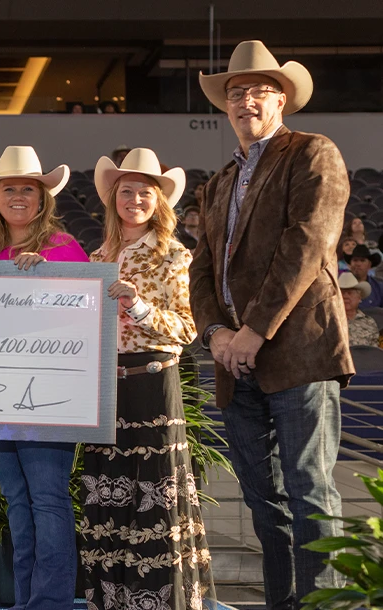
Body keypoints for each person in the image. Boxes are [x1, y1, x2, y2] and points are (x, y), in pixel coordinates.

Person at [190, 40, 353, 605]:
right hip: (235, 360)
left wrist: (252, 333)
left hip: (300, 352)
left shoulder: (313, 152)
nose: (246, 100)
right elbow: (202, 271)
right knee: (265, 502)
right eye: (236, 92)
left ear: (283, 100)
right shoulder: (217, 184)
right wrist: (216, 335)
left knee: (311, 493)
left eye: (260, 89)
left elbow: (306, 246)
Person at [81, 148, 212, 607]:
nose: (134, 198)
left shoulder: (174, 254)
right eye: (126, 191)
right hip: (107, 385)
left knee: (152, 496)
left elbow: (188, 328)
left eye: (144, 192)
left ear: (159, 201)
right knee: (111, 496)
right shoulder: (99, 254)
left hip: (153, 383)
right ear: (113, 198)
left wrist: (136, 306)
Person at [0, 145, 85, 608]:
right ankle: (25, 600)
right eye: (9, 188)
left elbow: (85, 315)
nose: (18, 196)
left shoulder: (62, 247)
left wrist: (51, 276)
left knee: (48, 499)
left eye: (28, 190)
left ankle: (49, 602)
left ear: (42, 199)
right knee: (19, 501)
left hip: (48, 394)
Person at [339, 273, 379, 347]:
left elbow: (374, 352)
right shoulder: (328, 321)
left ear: (359, 298)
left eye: (350, 293)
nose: (345, 296)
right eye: (342, 293)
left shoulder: (369, 322)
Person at [346, 244, 383, 308]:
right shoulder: (340, 286)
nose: (358, 264)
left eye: (362, 260)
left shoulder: (379, 287)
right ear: (350, 265)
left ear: (369, 265)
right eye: (355, 260)